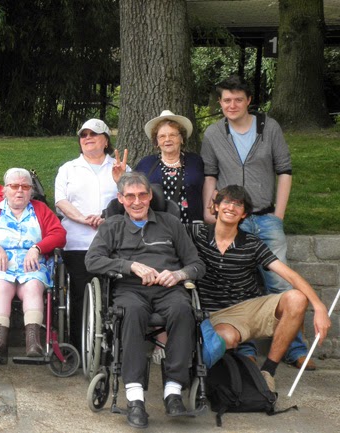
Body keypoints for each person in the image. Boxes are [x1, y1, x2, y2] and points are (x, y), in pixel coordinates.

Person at [200, 76, 311, 370]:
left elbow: (284, 170)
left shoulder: (269, 127)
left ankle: (294, 348)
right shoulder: (213, 134)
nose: (232, 105)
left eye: (238, 99)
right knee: (236, 283)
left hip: (265, 216)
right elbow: (210, 175)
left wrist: (279, 215)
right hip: (231, 218)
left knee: (279, 283)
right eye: (226, 100)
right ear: (220, 103)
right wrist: (209, 212)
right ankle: (245, 348)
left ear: (249, 100)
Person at [85, 171, 205, 429]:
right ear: (121, 198)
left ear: (150, 196)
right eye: (130, 196)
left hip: (168, 288)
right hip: (130, 289)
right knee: (132, 313)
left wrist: (179, 274)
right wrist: (130, 266)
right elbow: (92, 261)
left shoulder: (171, 223)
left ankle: (173, 391)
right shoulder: (112, 226)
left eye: (142, 195)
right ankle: (135, 398)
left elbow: (197, 264)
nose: (136, 201)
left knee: (184, 311)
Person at [190, 185, 331, 393]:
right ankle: (215, 371)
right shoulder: (197, 234)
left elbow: (290, 276)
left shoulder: (252, 243)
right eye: (226, 202)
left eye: (238, 205)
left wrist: (319, 307)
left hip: (247, 310)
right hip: (212, 314)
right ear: (216, 206)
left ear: (244, 214)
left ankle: (268, 371)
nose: (231, 207)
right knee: (226, 338)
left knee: (296, 298)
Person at [0, 168, 66, 359]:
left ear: (31, 191)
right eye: (14, 186)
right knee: (1, 287)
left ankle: (33, 343)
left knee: (33, 286)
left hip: (33, 267)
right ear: (5, 189)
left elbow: (59, 235)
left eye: (25, 186)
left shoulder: (40, 210)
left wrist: (37, 248)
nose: (20, 190)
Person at [54, 118, 128, 352]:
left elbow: (132, 200)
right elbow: (60, 201)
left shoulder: (120, 168)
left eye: (93, 134)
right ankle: (78, 346)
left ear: (106, 140)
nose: (87, 138)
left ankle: (113, 345)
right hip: (77, 241)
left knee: (115, 294)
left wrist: (108, 217)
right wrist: (82, 218)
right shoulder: (68, 168)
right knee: (79, 295)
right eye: (83, 135)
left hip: (113, 241)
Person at [136, 110, 204, 223]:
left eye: (172, 135)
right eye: (162, 136)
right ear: (156, 142)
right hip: (156, 227)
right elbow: (134, 191)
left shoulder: (195, 161)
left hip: (191, 226)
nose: (167, 139)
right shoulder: (146, 164)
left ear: (181, 138)